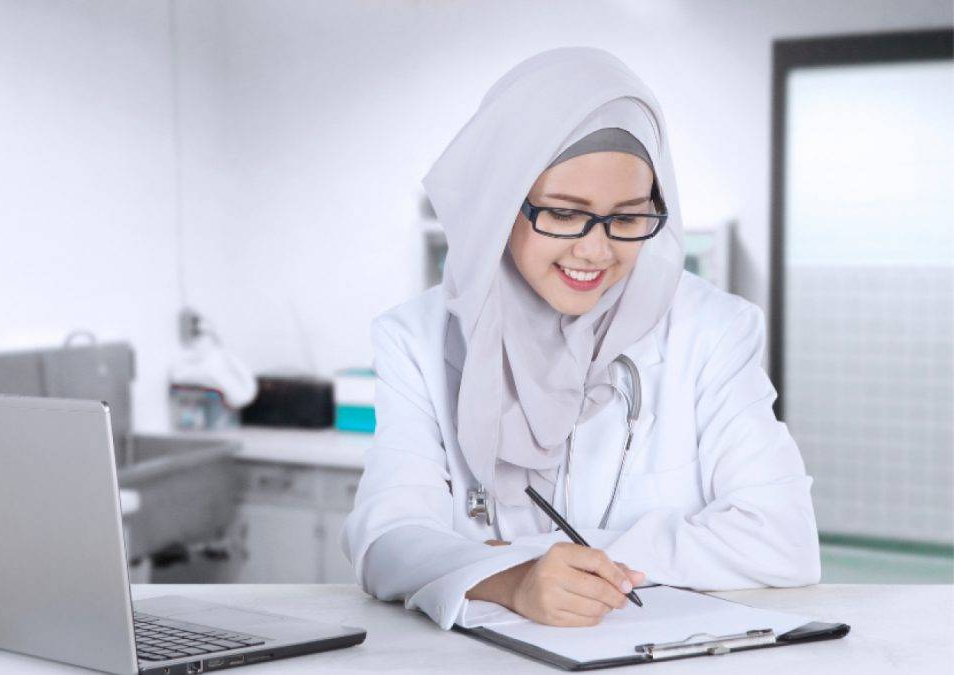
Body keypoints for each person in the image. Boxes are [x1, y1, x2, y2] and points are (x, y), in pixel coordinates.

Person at [341, 47, 820, 630]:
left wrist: (532, 564)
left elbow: (784, 539)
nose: (595, 251)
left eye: (628, 218)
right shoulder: (416, 339)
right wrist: (516, 585)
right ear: (500, 204)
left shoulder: (713, 330)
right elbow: (384, 541)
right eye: (565, 214)